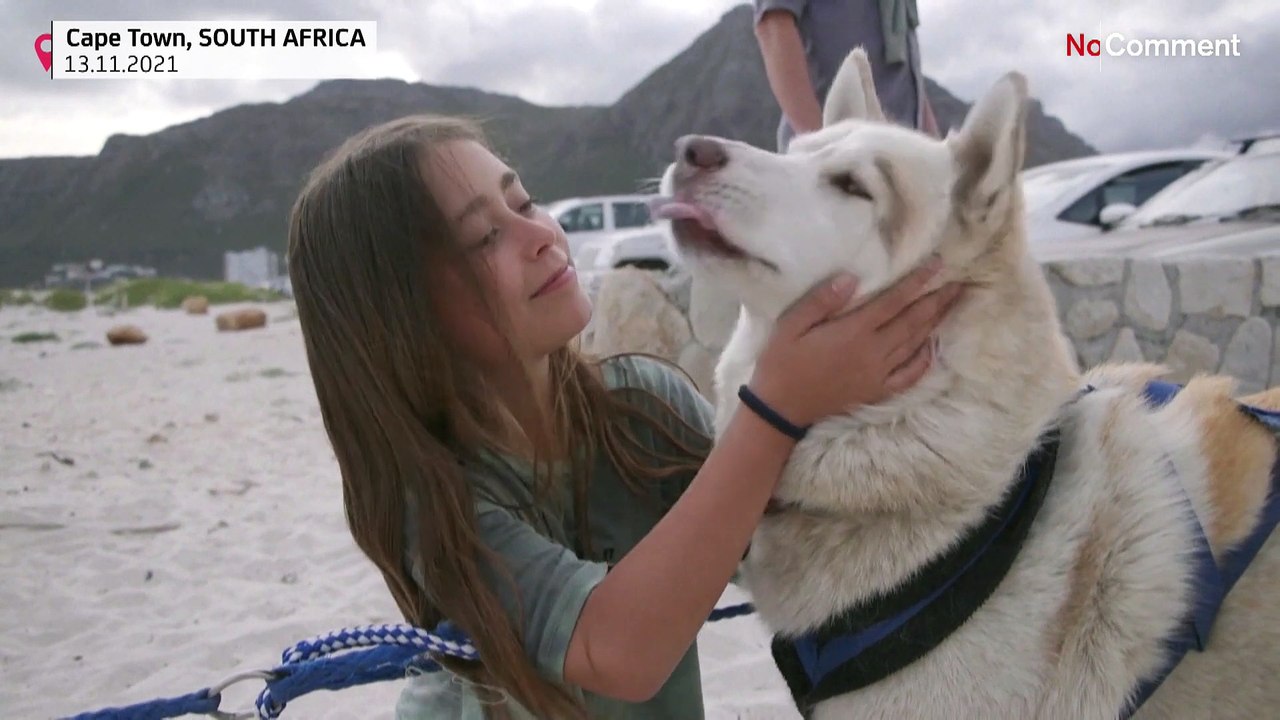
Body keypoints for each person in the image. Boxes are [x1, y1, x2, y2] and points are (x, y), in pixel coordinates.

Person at [285, 114, 962, 719]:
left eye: (525, 202)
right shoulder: (436, 502)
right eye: (488, 235)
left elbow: (779, 533)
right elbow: (617, 649)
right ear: (404, 319)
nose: (542, 236)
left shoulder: (642, 405)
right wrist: (777, 406)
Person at [753, 0, 940, 152]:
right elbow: (773, 24)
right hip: (833, 167)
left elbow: (907, 74)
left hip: (899, 164)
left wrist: (934, 149)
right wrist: (823, 148)